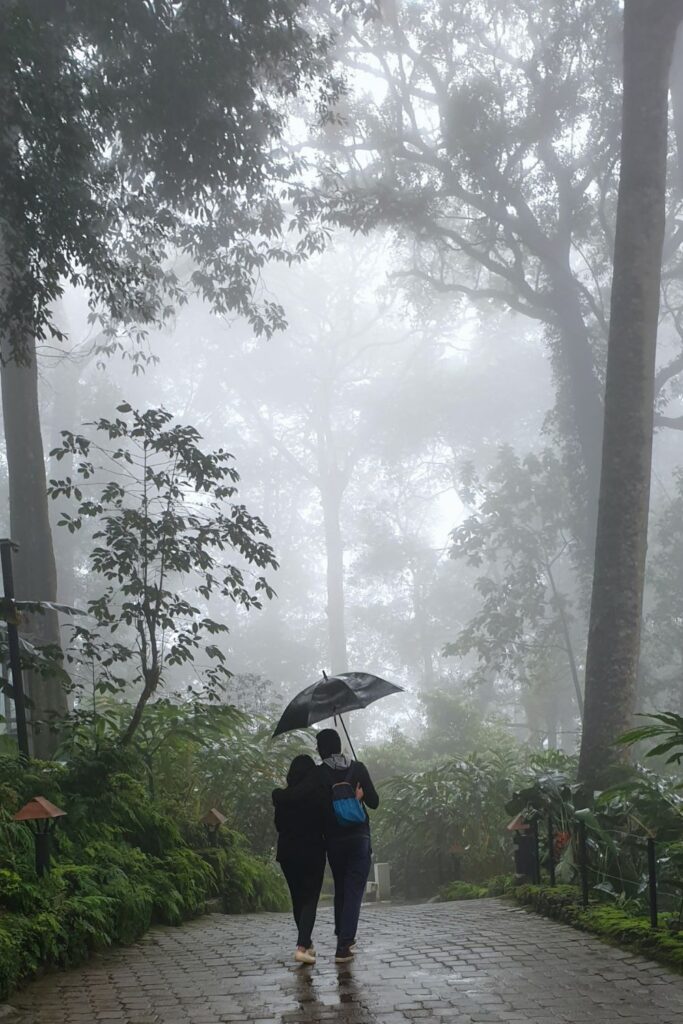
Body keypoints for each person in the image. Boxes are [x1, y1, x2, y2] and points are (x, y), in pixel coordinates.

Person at [316, 728, 379, 964]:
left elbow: (319, 810)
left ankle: (340, 934)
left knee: (342, 889)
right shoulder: (358, 768)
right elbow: (375, 802)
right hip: (359, 837)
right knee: (354, 891)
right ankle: (344, 944)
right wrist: (358, 798)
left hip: (334, 840)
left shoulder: (320, 773)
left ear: (322, 749)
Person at [272, 754, 327, 965]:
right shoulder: (317, 796)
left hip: (287, 853)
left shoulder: (282, 798)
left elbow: (279, 825)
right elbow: (325, 822)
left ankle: (307, 942)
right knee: (310, 899)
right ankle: (302, 947)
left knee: (298, 899)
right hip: (312, 851)